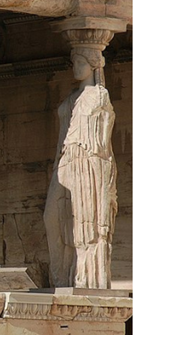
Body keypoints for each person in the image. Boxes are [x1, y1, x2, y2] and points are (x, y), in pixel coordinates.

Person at [44, 46, 117, 289]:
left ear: (94, 65)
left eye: (81, 62)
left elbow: (102, 141)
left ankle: (86, 279)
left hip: (88, 162)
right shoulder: (70, 99)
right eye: (74, 62)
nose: (76, 67)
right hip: (65, 160)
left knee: (84, 224)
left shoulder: (98, 96)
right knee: (52, 217)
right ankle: (62, 275)